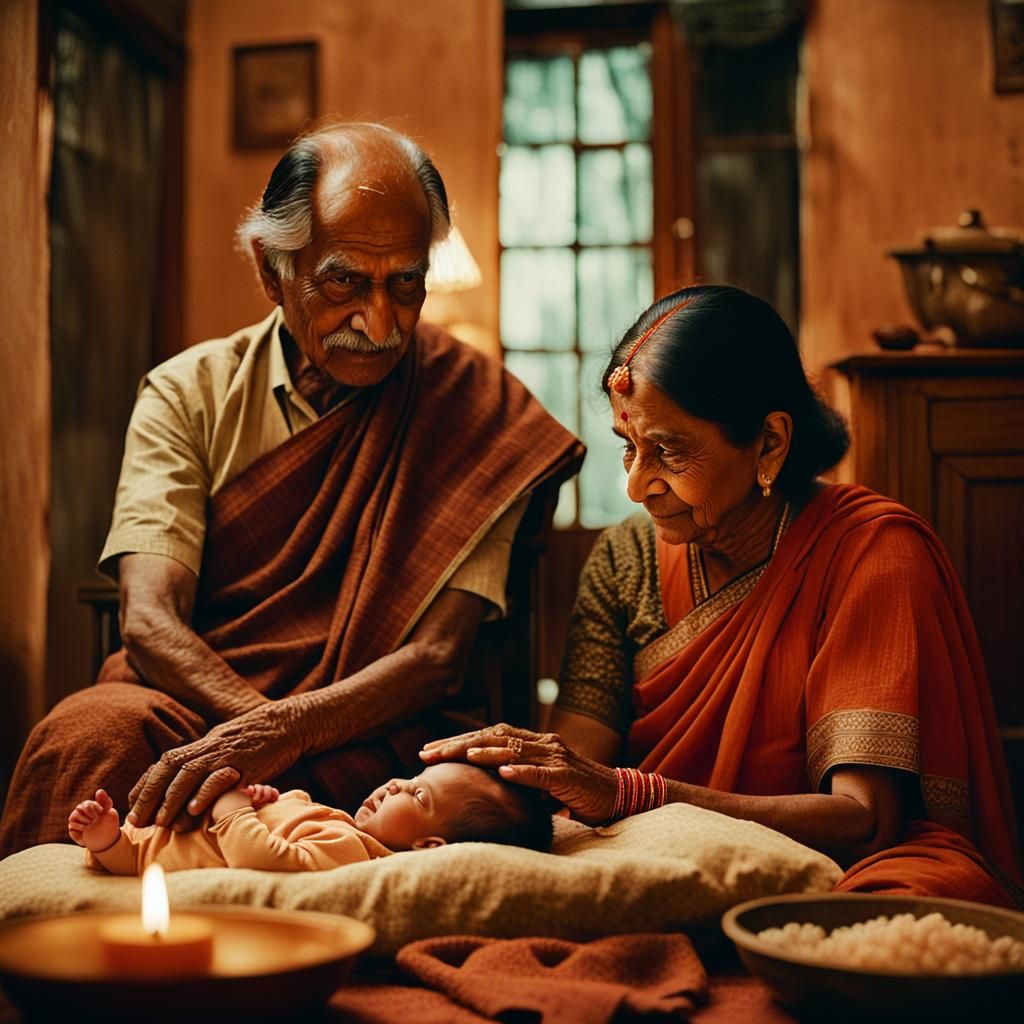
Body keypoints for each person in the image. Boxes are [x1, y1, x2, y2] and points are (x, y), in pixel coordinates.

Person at [0, 121, 582, 858]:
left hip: (377, 730)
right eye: (345, 282)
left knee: (427, 803)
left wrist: (290, 734)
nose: (380, 322)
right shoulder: (188, 394)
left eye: (406, 283)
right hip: (198, 707)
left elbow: (437, 657)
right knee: (91, 737)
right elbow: (148, 620)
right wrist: (263, 729)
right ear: (272, 271)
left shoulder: (477, 409)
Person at [421, 284, 1024, 909]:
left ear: (770, 444)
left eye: (668, 451)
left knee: (921, 896)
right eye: (629, 447)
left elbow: (864, 821)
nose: (636, 486)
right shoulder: (626, 557)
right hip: (660, 854)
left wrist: (638, 795)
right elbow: (575, 773)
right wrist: (500, 772)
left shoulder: (871, 552)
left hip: (827, 867)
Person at [67, 762, 554, 874]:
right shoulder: (340, 824)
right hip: (168, 835)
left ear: (430, 846)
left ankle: (107, 843)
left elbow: (264, 861)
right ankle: (107, 838)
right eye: (411, 776)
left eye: (418, 795)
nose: (395, 784)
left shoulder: (351, 850)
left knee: (122, 851)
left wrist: (233, 809)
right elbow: (283, 825)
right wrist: (264, 800)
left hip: (148, 858)